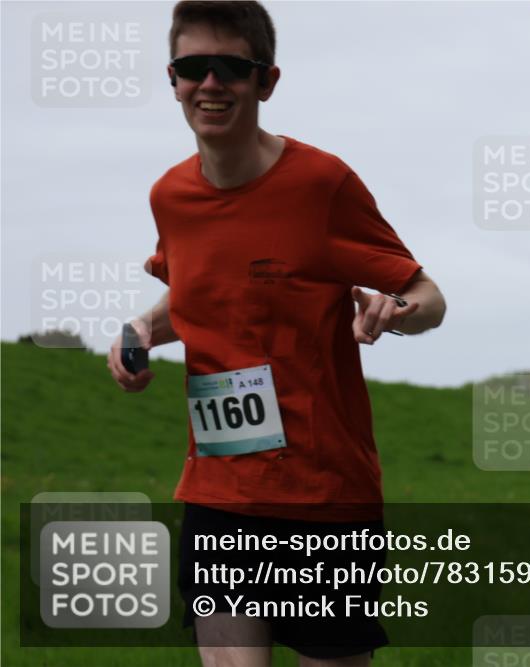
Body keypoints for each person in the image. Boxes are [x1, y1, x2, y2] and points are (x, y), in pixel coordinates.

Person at [105, 2, 446, 665]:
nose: (211, 83)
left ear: (267, 81)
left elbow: (426, 293)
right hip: (218, 495)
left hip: (323, 500)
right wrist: (140, 326)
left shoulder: (322, 186)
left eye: (232, 67)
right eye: (193, 67)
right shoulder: (170, 197)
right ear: (172, 78)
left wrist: (396, 311)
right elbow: (204, 294)